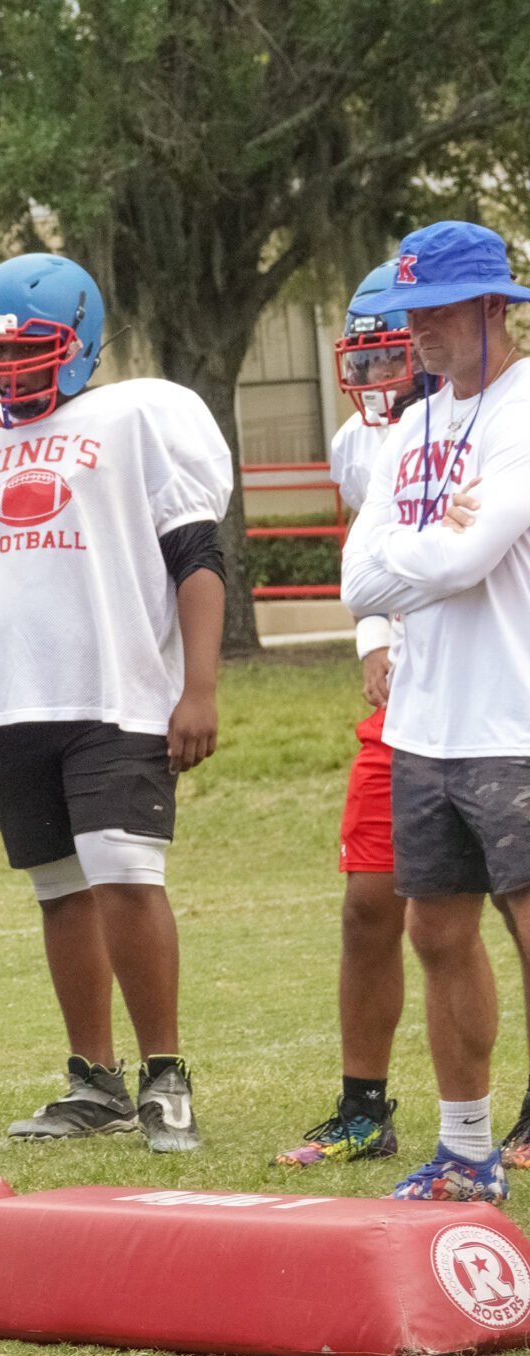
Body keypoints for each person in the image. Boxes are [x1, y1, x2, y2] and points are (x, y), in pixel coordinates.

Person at [0, 253, 230, 1152]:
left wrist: (198, 686)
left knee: (126, 875)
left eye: (29, 351)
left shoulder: (134, 419)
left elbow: (198, 559)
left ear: (81, 344)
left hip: (116, 692)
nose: (6, 370)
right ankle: (95, 1079)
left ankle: (165, 1074)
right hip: (13, 703)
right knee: (60, 890)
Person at [340, 220, 530, 1204]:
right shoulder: (408, 427)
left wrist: (414, 551)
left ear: (494, 307)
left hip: (517, 722)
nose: (418, 329)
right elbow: (354, 575)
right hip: (423, 725)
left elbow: (463, 556)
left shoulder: (522, 407)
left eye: (440, 308)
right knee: (435, 935)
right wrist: (428, 544)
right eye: (410, 311)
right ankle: (467, 1153)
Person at [276, 263, 445, 1169]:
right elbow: (371, 562)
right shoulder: (361, 442)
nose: (380, 379)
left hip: (497, 697)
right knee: (368, 901)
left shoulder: (500, 425)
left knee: (508, 908)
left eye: (396, 357)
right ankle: (362, 1109)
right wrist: (372, 637)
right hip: (405, 698)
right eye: (368, 359)